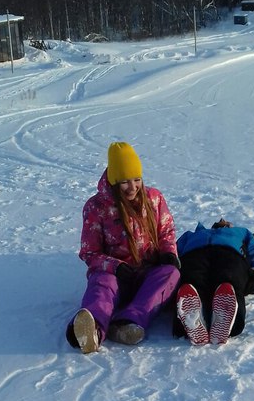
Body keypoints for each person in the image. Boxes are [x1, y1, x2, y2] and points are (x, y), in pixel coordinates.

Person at [66, 142, 180, 352]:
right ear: (113, 181)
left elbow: (166, 231)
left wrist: (168, 252)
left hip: (148, 272)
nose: (132, 187)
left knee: (170, 274)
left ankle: (128, 323)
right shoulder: (96, 207)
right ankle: (91, 329)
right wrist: (115, 267)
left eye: (137, 180)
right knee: (102, 283)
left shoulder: (153, 198)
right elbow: (90, 252)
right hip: (116, 275)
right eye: (124, 182)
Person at [174, 219, 254, 345]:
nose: (222, 220)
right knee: (190, 282)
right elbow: (173, 252)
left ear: (230, 225)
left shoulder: (243, 232)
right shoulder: (190, 235)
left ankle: (227, 321)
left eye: (225, 221)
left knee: (229, 281)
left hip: (230, 254)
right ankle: (191, 320)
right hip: (194, 255)